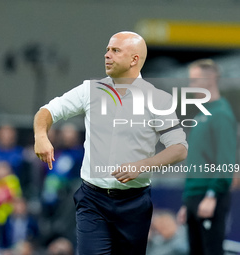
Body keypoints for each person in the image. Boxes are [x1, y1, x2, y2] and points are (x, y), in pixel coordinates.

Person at [34, 31, 188, 255]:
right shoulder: (90, 90)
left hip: (134, 203)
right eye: (107, 49)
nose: (107, 55)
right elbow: (47, 111)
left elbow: (179, 148)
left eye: (115, 50)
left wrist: (141, 165)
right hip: (92, 200)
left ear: (134, 59)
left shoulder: (158, 99)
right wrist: (40, 136)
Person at [177, 59, 237, 255]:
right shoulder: (200, 115)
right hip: (195, 197)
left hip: (210, 196)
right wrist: (188, 203)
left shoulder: (221, 114)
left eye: (194, 80)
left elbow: (226, 160)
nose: (190, 85)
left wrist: (212, 195)